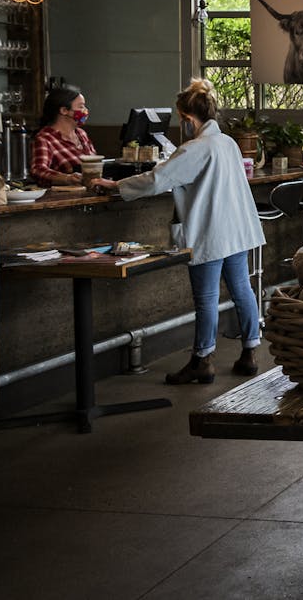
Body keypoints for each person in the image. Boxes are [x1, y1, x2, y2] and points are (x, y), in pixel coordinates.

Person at [93, 79, 265, 384]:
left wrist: (116, 186)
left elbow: (158, 181)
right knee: (242, 289)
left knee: (207, 297)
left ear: (187, 118)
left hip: (211, 231)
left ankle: (203, 359)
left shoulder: (195, 149)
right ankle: (251, 352)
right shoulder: (227, 143)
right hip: (236, 228)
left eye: (180, 119)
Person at [31, 85, 96, 186]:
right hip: (67, 198)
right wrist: (67, 178)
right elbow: (38, 170)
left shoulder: (82, 134)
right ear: (64, 111)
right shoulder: (45, 139)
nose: (85, 110)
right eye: (81, 106)